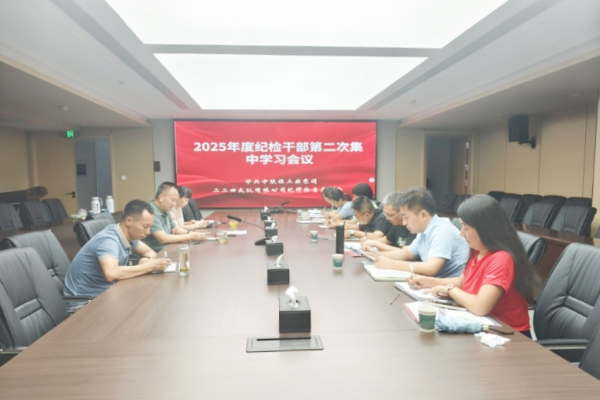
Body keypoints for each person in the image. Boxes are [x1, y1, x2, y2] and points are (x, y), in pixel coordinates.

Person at [407, 194, 536, 334]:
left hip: (509, 334)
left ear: (485, 228)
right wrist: (428, 281)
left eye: (466, 228)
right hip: (486, 325)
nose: (461, 233)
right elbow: (461, 282)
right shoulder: (479, 251)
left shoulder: (501, 258)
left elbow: (480, 307)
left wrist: (450, 290)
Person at [64, 200, 172, 298]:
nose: (148, 232)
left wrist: (146, 258)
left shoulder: (128, 235)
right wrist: (150, 266)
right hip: (85, 300)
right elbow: (111, 273)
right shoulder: (109, 240)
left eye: (150, 227)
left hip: (106, 291)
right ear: (129, 221)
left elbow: (150, 252)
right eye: (145, 226)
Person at [373, 187, 469, 278]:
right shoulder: (424, 230)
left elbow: (431, 268)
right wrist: (376, 254)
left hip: (449, 285)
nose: (404, 222)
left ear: (423, 215)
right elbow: (407, 253)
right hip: (434, 282)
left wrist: (392, 264)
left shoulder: (442, 231)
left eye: (406, 217)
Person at [143, 182, 208, 252]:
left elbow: (175, 229)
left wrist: (190, 233)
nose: (174, 204)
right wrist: (190, 236)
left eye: (176, 201)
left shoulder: (164, 210)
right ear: (161, 197)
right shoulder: (151, 212)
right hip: (156, 253)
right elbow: (163, 238)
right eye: (173, 200)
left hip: (167, 249)